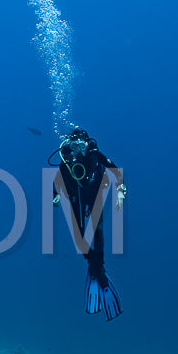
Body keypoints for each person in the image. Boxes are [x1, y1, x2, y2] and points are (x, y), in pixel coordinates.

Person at [51, 128, 125, 320]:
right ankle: (94, 264)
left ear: (86, 142)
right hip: (76, 197)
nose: (77, 148)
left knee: (98, 231)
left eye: (80, 143)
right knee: (79, 238)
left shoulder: (94, 154)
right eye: (74, 144)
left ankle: (98, 269)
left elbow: (115, 170)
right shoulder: (66, 159)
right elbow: (56, 180)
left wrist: (121, 189)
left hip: (94, 195)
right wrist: (56, 196)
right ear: (69, 143)